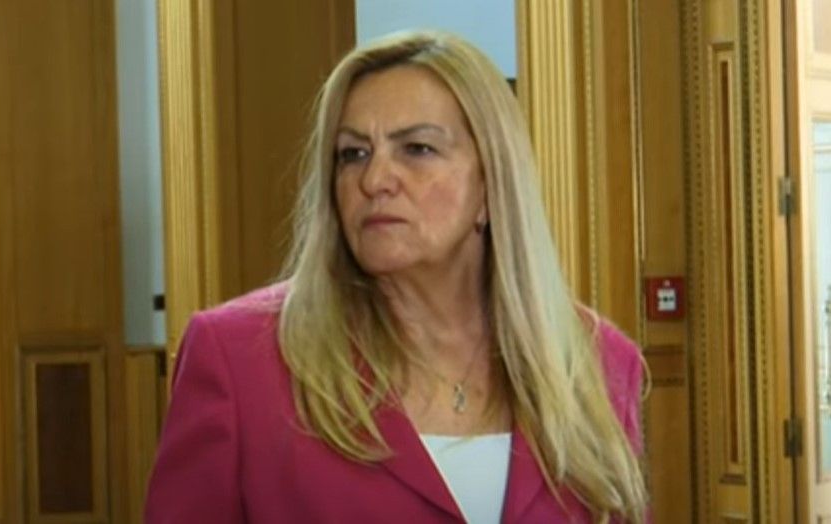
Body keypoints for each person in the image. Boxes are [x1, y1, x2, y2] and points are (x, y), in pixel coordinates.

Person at [145, 30, 648, 523]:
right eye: (353, 154)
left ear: (491, 184)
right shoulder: (239, 358)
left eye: (417, 149)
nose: (374, 180)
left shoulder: (598, 364)